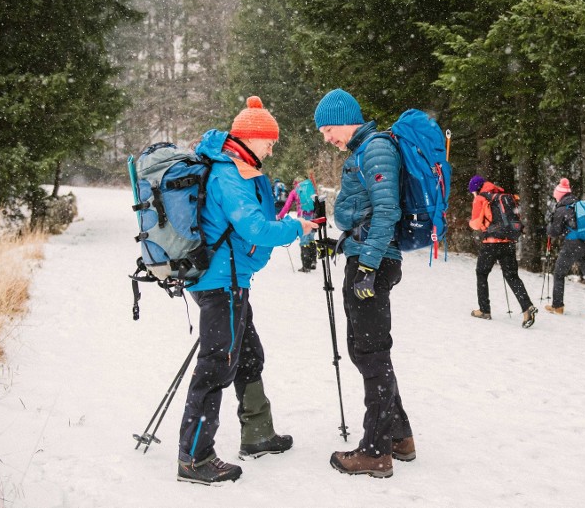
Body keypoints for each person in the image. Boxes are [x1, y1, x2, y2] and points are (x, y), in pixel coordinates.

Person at [176, 96, 319, 486]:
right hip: (219, 284)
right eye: (269, 140)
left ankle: (258, 435)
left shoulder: (237, 168)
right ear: (251, 137)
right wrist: (297, 228)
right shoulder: (229, 174)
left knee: (249, 355)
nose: (273, 147)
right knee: (215, 365)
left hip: (231, 281)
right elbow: (254, 228)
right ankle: (194, 458)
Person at [314, 88, 414, 479]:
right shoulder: (363, 150)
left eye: (327, 129)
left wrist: (368, 266)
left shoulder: (374, 149)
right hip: (365, 255)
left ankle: (375, 451)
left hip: (373, 262)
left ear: (344, 118)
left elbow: (388, 209)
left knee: (370, 352)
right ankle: (400, 437)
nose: (326, 138)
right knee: (368, 350)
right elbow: (369, 210)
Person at [467, 175, 538, 328]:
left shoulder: (481, 198)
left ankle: (484, 310)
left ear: (477, 188)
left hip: (491, 243)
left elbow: (476, 223)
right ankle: (527, 307)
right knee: (512, 276)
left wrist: (474, 223)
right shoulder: (505, 196)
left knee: (482, 273)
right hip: (509, 242)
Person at [545, 177, 585, 321]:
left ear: (559, 196)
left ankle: (557, 306)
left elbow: (555, 231)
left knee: (559, 273)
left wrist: (548, 228)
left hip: (572, 245)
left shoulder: (562, 208)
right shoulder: (578, 205)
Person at [277, 176, 318, 272]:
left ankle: (306, 266)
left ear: (295, 183)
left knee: (304, 240)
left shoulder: (295, 191)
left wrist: (280, 216)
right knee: (311, 238)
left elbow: (287, 206)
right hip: (313, 216)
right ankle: (313, 262)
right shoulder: (310, 188)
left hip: (303, 216)